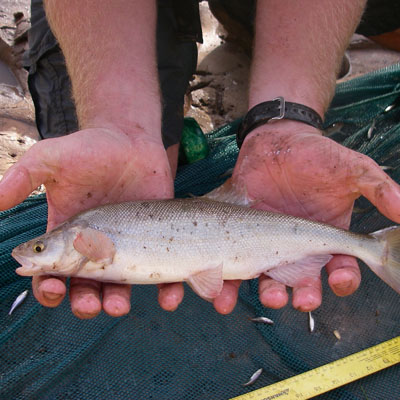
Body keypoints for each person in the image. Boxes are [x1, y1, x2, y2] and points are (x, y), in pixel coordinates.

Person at [1, 0, 400, 320]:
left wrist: (288, 121)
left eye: (40, 250)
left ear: (78, 240)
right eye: (40, 249)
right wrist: (120, 123)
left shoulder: (89, 237)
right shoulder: (88, 234)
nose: (31, 252)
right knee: (139, 144)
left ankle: (376, 248)